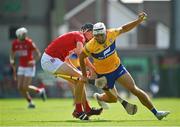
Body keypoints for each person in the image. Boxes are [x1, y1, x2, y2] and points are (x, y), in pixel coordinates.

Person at [79, 12, 170, 120]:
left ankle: (156, 113)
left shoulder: (112, 33)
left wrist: (139, 21)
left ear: (105, 32)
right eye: (96, 36)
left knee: (134, 89)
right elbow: (81, 57)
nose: (99, 38)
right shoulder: (90, 46)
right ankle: (100, 97)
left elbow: (124, 28)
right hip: (103, 76)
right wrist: (84, 75)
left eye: (101, 35)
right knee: (113, 99)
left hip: (118, 69)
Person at [41, 23, 102, 120]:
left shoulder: (76, 38)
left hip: (52, 61)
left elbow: (67, 60)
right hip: (50, 60)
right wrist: (90, 69)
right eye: (93, 34)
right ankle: (79, 110)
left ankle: (86, 109)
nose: (93, 37)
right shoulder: (80, 36)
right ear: (87, 31)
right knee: (81, 78)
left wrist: (83, 71)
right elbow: (80, 53)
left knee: (79, 79)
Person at [9, 27, 46, 108]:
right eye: (23, 34)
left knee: (25, 86)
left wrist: (33, 61)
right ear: (18, 35)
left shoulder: (29, 42)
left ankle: (39, 91)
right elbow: (12, 53)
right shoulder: (15, 43)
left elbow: (38, 53)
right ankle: (30, 102)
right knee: (20, 87)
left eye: (25, 34)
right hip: (21, 67)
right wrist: (11, 60)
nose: (25, 36)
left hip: (29, 67)